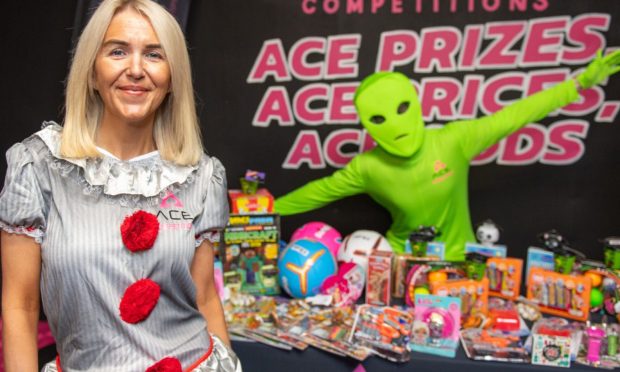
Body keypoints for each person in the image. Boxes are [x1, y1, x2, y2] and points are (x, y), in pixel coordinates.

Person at [0, 1, 241, 371]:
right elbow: (20, 304)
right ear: (92, 71)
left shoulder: (201, 175)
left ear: (173, 76)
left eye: (154, 55)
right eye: (117, 51)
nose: (136, 69)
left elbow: (205, 296)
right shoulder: (39, 166)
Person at [275, 51, 620, 261]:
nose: (394, 124)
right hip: (400, 263)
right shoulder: (367, 167)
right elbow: (315, 191)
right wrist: (259, 210)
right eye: (379, 119)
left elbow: (516, 115)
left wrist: (580, 84)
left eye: (401, 108)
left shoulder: (454, 140)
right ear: (367, 125)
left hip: (459, 262)